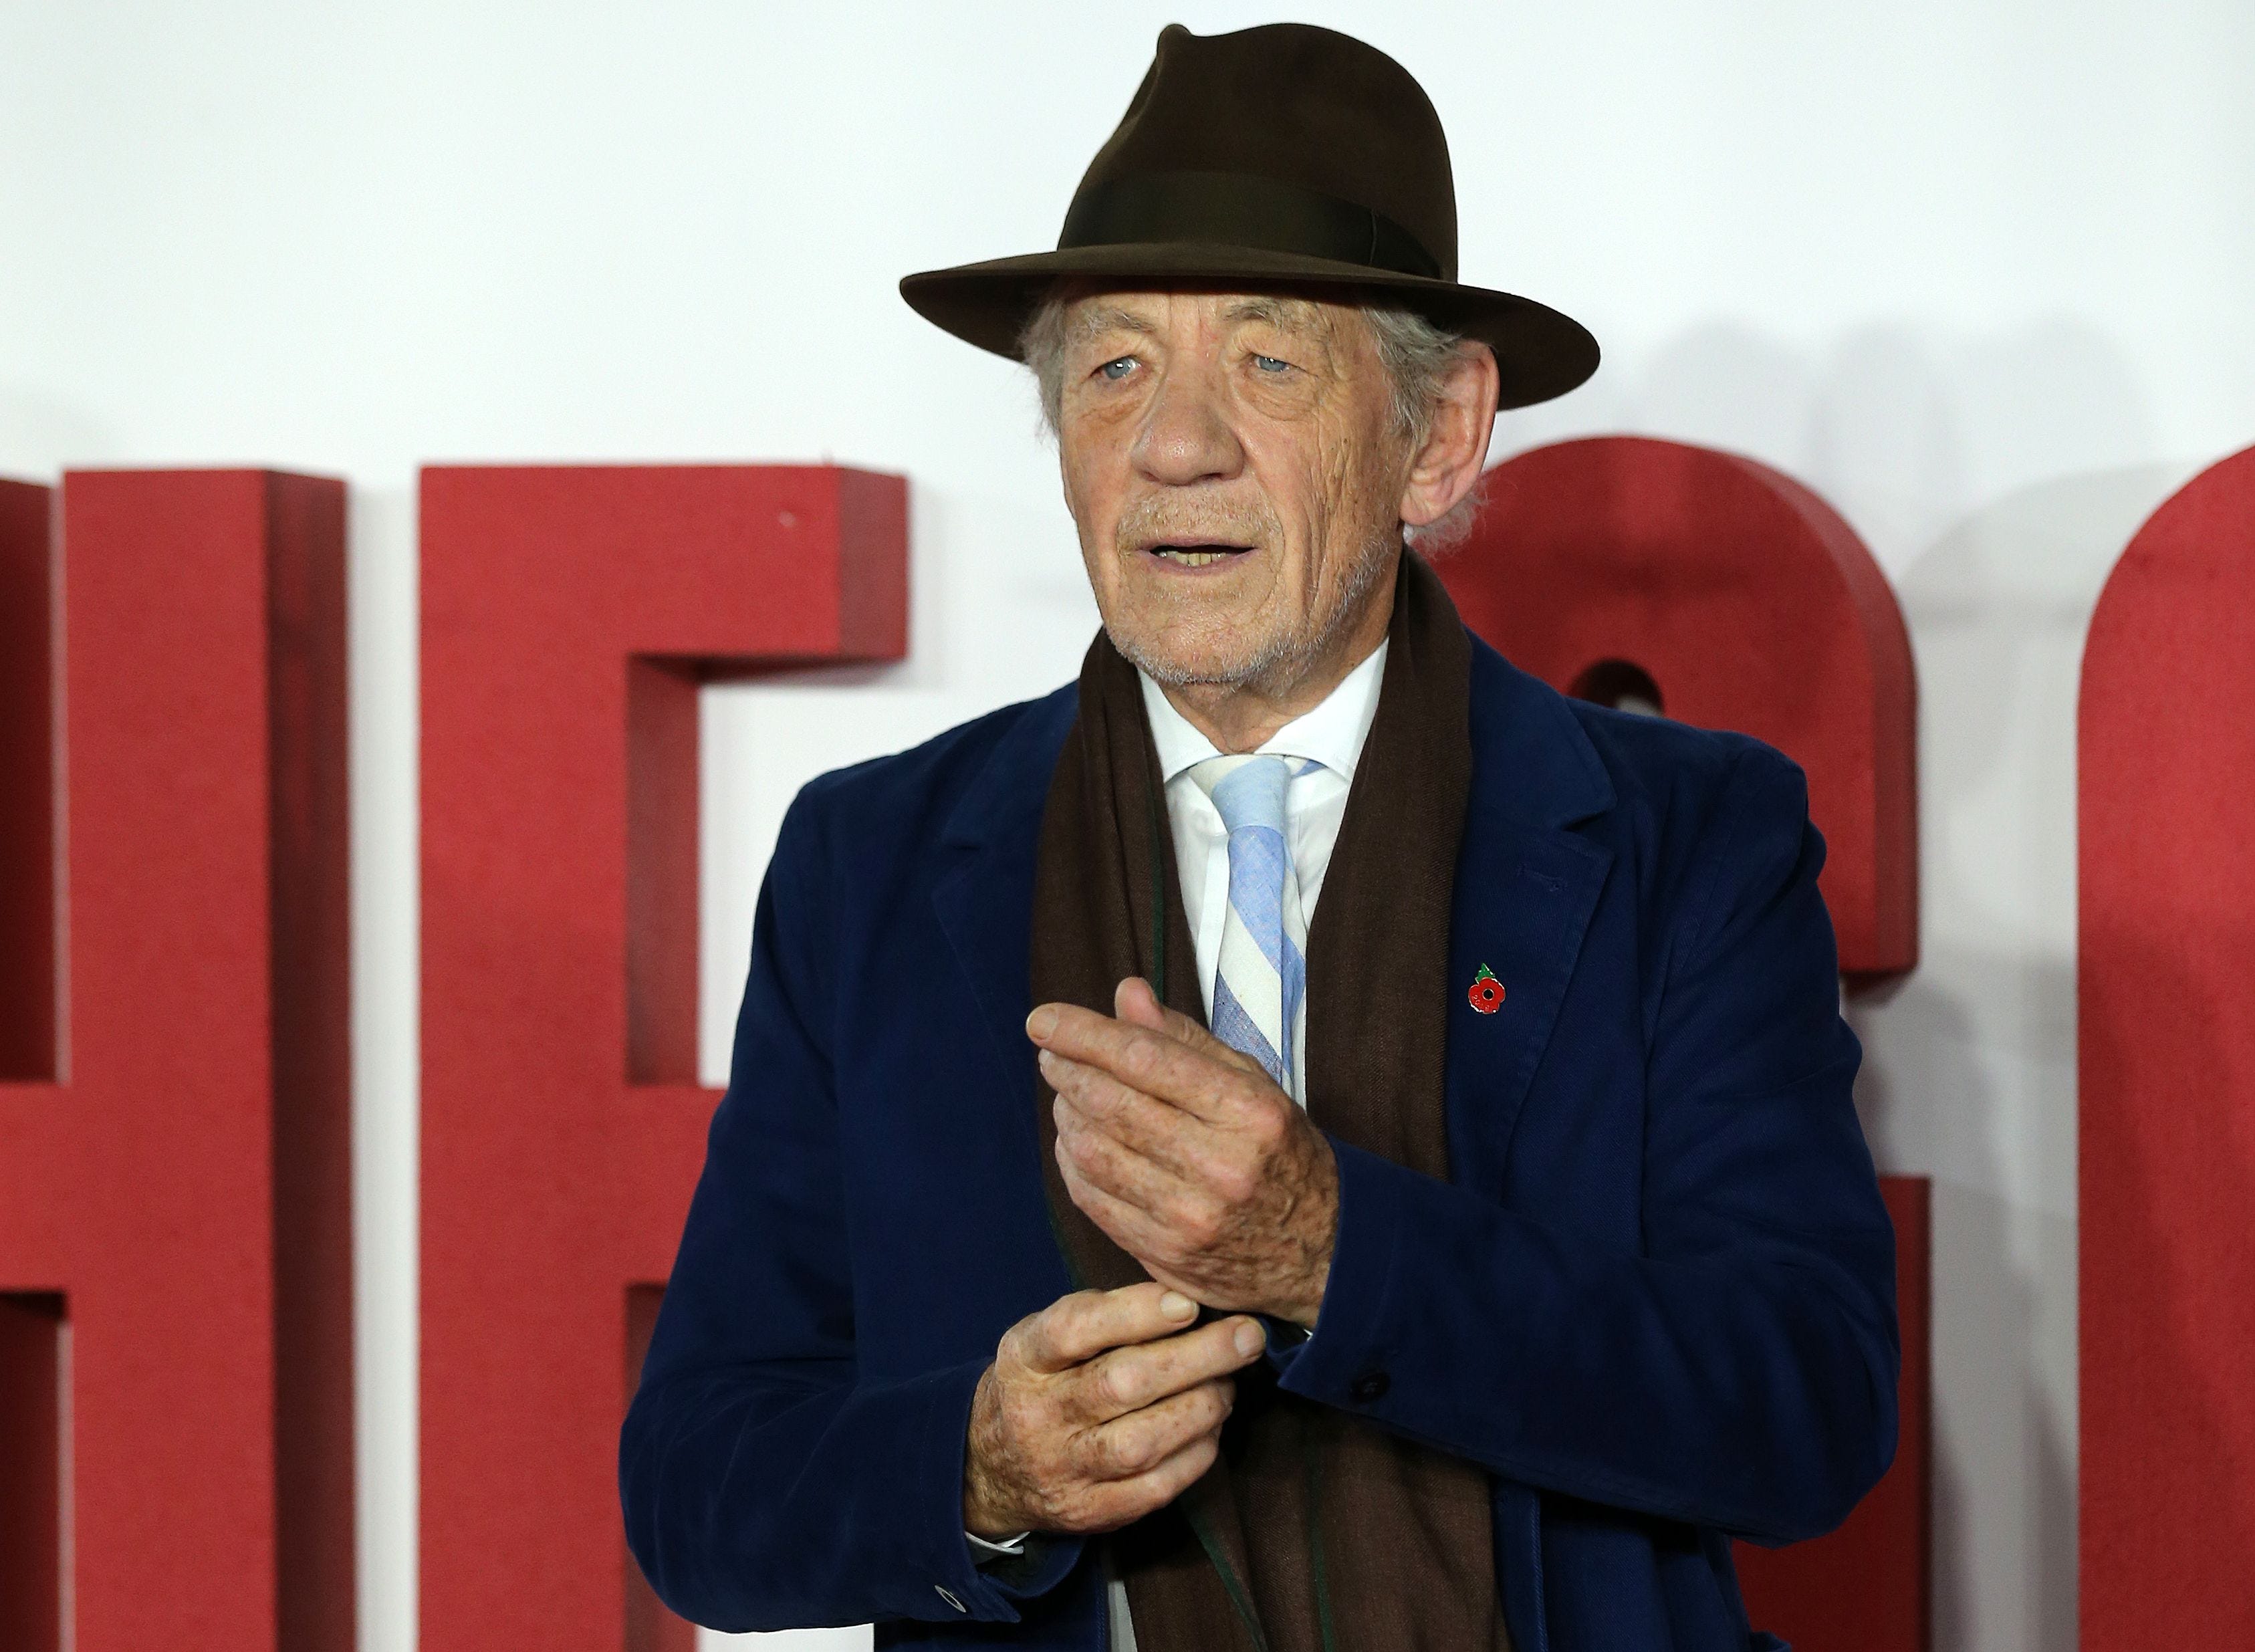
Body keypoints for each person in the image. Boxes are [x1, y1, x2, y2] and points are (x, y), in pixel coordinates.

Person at [620, 21, 1897, 1652]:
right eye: (1115, 368)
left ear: (1435, 440)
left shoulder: (1689, 843)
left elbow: (1806, 1405)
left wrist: (1337, 1251)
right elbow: (697, 1487)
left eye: (1270, 362)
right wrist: (977, 1473)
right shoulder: (872, 863)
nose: (1175, 442)